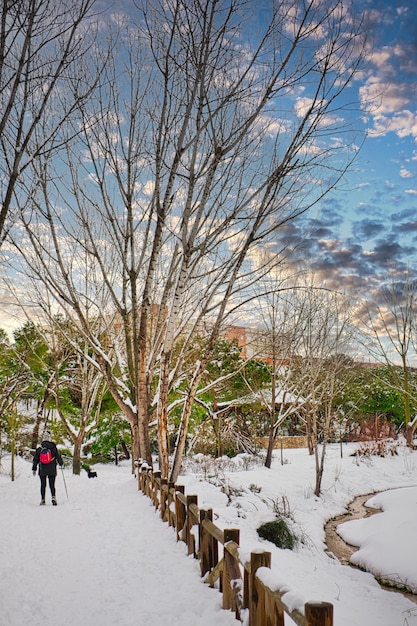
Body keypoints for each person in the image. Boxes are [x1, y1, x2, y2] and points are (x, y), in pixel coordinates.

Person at [32, 431, 64, 506]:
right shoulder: (53, 448)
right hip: (52, 468)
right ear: (50, 438)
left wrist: (34, 468)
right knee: (52, 484)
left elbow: (35, 459)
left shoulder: (40, 448)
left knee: (43, 484)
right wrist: (61, 463)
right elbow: (58, 457)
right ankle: (53, 497)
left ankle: (43, 499)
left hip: (42, 468)